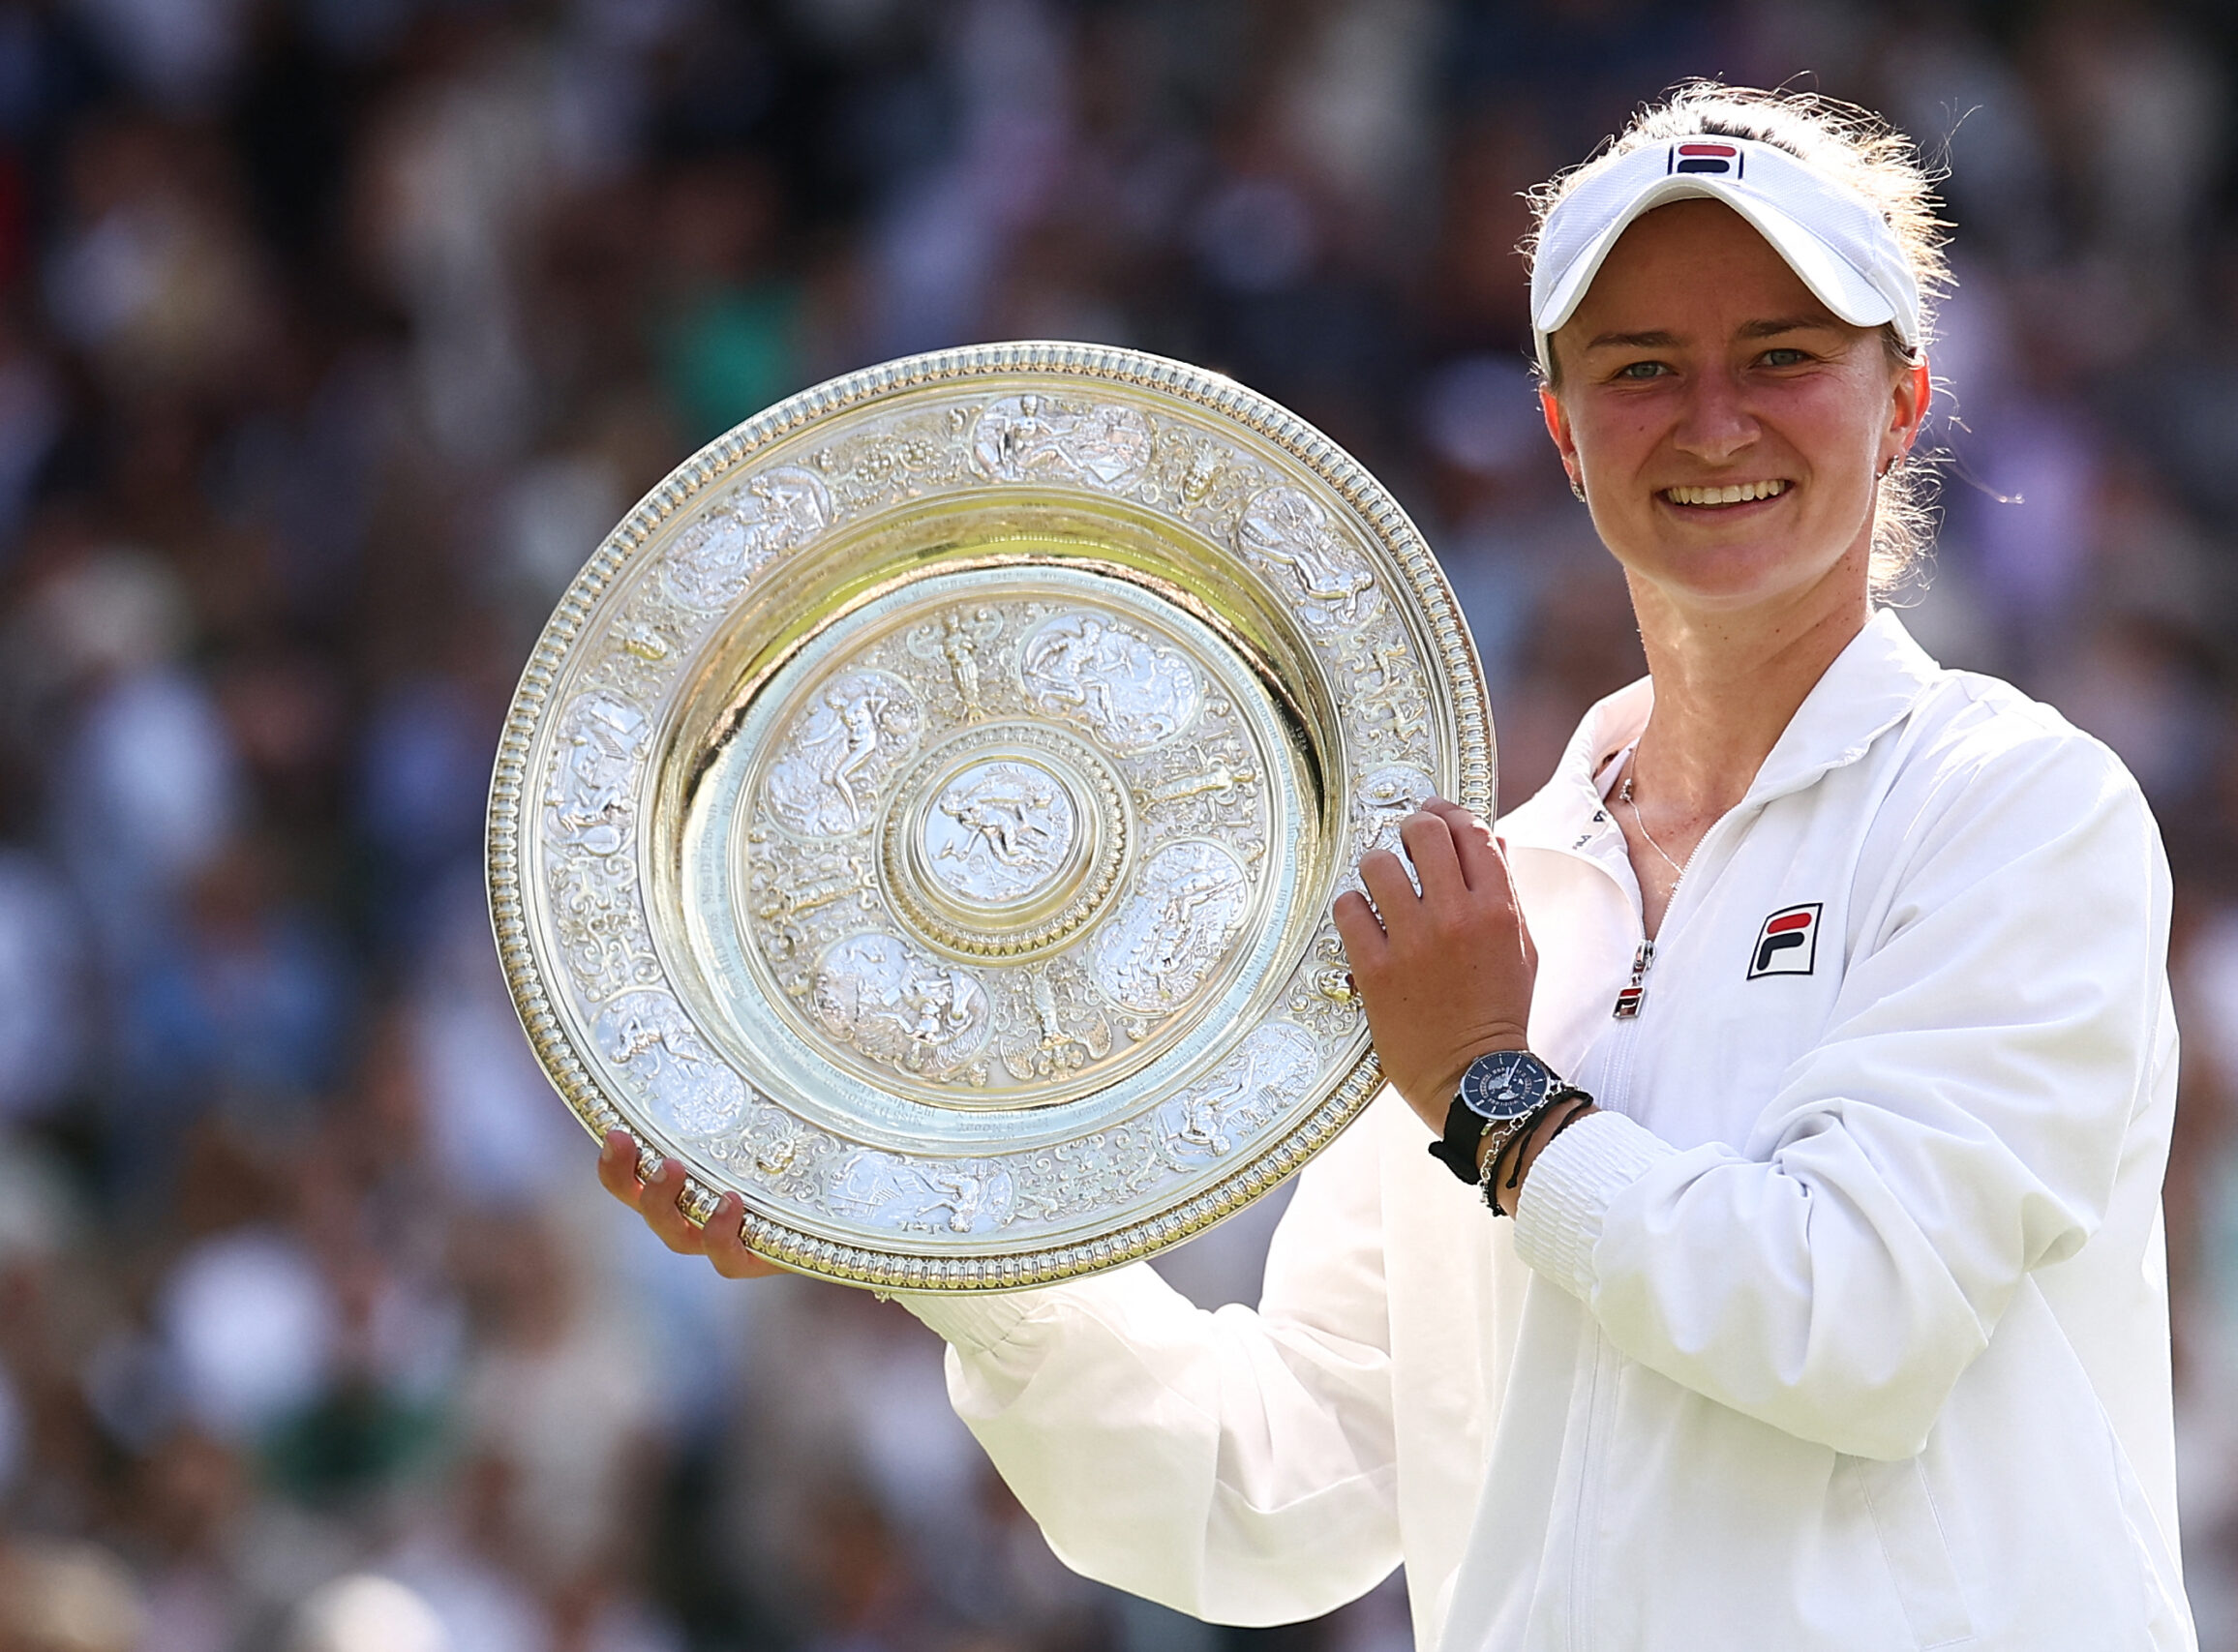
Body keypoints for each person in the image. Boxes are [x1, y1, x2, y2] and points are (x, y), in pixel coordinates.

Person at [598, 84, 2192, 1648]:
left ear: (1902, 399)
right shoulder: (1474, 907)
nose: (1715, 422)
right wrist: (921, 1216)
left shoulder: (2019, 813)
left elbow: (1855, 1323)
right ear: (1564, 431)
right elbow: (1267, 1494)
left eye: (1781, 357)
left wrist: (1493, 1099)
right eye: (1643, 369)